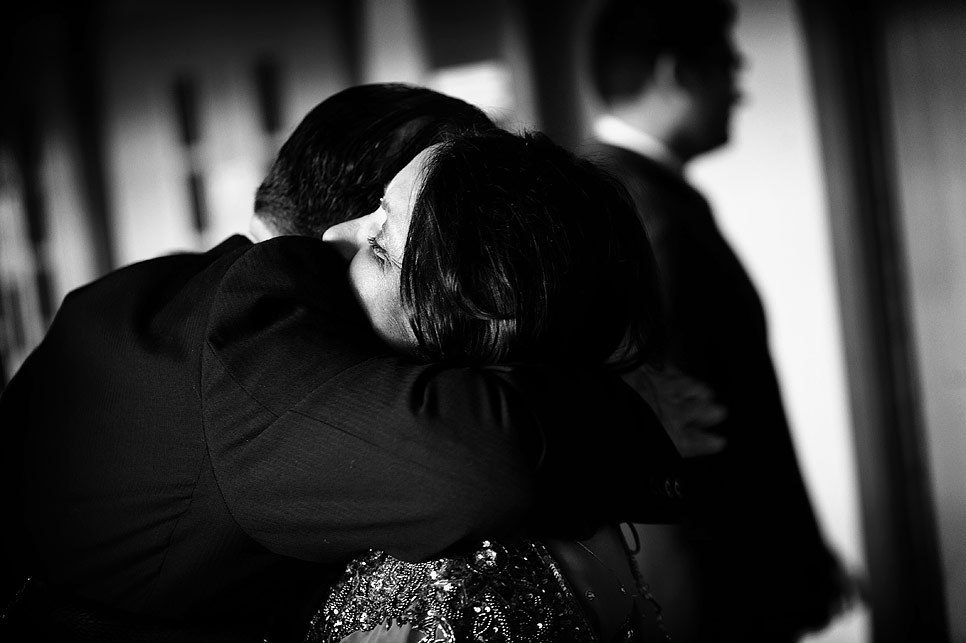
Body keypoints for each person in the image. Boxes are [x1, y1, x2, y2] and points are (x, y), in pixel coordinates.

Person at [0, 84, 682, 642]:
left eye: (387, 234)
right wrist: (622, 404)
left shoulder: (181, 289)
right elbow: (485, 466)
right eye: (382, 216)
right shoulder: (257, 330)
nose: (339, 237)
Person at [304, 128, 676, 643]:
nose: (332, 235)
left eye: (381, 247)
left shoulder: (463, 580)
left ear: (472, 322)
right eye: (374, 207)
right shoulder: (569, 487)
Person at [586, 1, 850, 640]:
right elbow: (689, 429)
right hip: (716, 586)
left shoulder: (616, 194)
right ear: (679, 73)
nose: (742, 90)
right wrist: (788, 569)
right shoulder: (649, 218)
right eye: (731, 66)